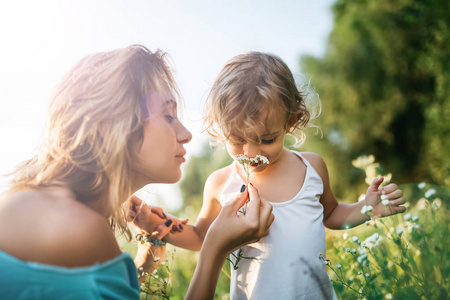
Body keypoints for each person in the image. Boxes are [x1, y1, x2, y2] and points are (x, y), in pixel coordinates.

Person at [0, 45, 274, 300]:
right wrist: (215, 248)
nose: (187, 134)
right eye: (168, 116)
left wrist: (143, 265)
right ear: (109, 124)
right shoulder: (80, 229)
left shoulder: (32, 204)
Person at [153, 52, 406, 299]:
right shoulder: (220, 184)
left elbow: (331, 214)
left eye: (267, 139)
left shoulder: (311, 168)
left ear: (291, 121)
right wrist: (159, 224)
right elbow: (202, 238)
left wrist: (366, 208)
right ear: (221, 126)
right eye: (238, 139)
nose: (251, 152)